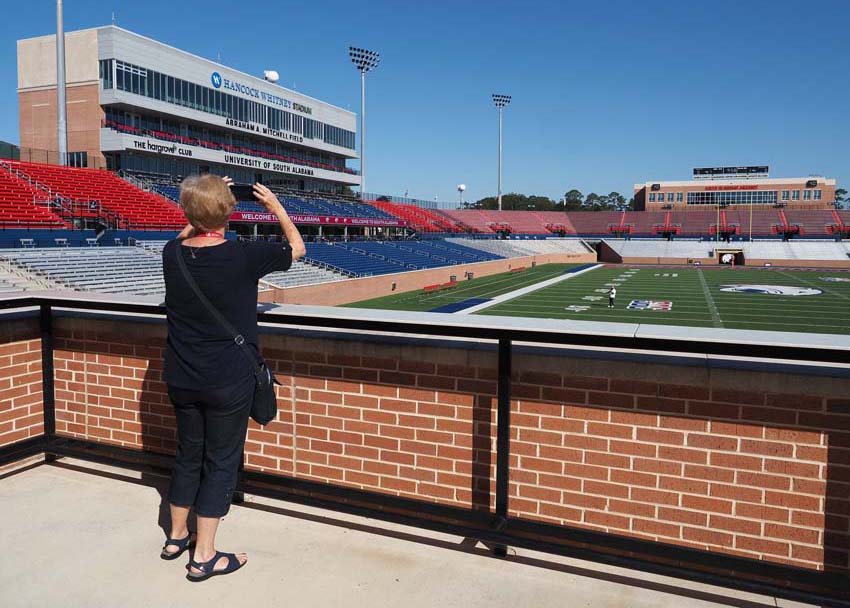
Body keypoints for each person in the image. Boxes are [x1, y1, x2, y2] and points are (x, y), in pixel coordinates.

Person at [159, 175, 305, 582]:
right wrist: (274, 206)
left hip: (181, 375)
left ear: (189, 213)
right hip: (227, 380)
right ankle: (203, 554)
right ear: (228, 212)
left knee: (189, 454)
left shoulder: (173, 253)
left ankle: (175, 538)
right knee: (220, 462)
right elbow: (298, 248)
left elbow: (187, 232)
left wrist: (203, 203)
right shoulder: (244, 254)